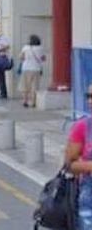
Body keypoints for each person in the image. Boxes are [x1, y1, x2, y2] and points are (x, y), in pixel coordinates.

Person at [65, 89, 92, 229]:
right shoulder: (82, 127)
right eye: (89, 96)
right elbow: (70, 164)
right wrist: (89, 166)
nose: (90, 101)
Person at [19, 34, 46, 108]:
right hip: (36, 69)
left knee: (25, 86)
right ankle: (33, 102)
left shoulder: (25, 47)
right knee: (35, 86)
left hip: (26, 68)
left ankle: (25, 101)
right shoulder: (40, 48)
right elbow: (43, 58)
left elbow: (21, 57)